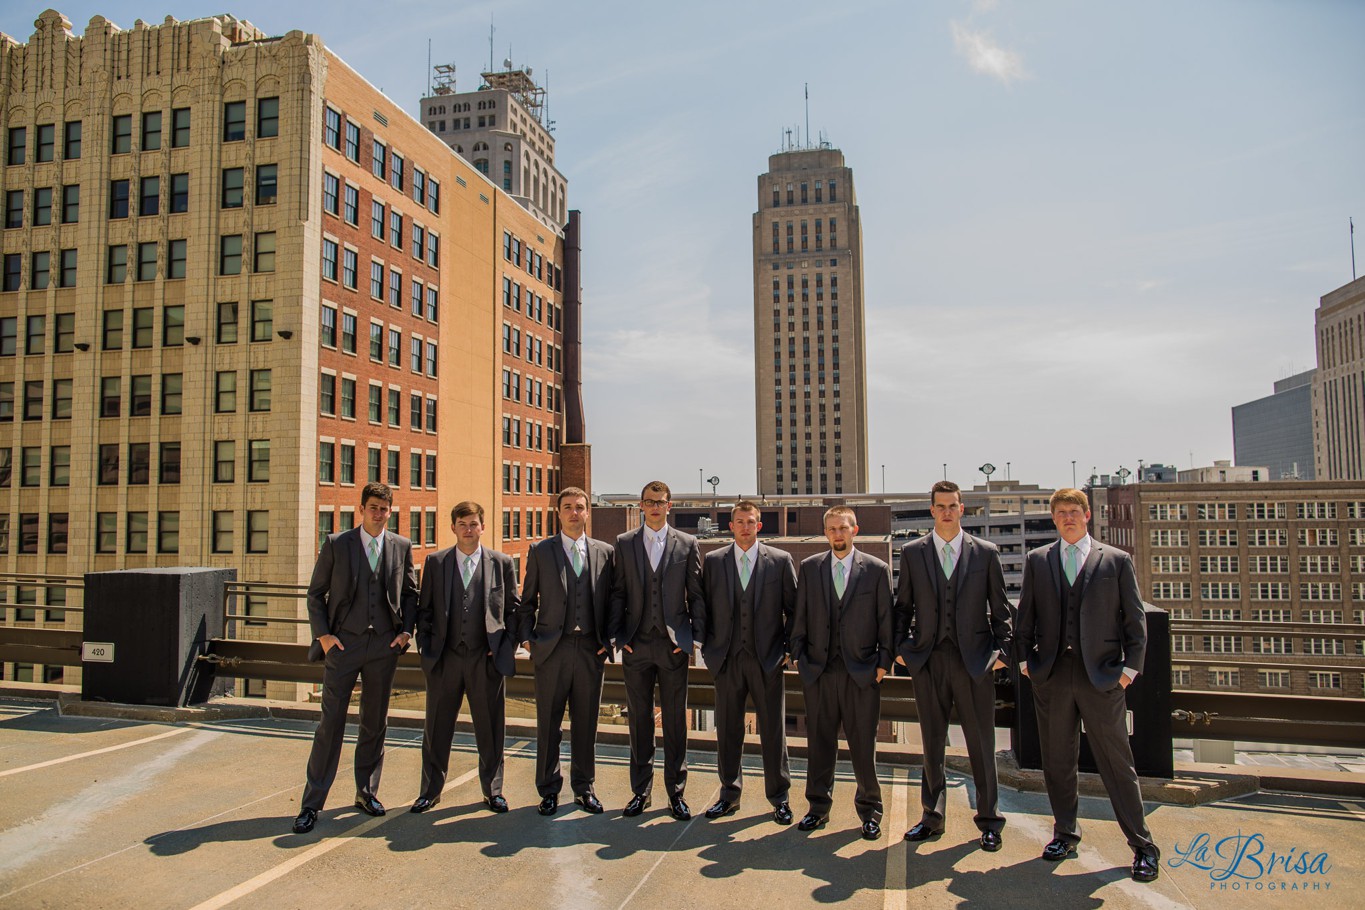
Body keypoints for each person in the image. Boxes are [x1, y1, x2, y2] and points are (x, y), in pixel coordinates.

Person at [1016, 488, 1160, 883]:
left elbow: (1135, 621)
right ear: (1054, 518)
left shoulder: (1116, 560)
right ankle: (1065, 833)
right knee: (1058, 761)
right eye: (1060, 513)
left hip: (1102, 678)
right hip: (1053, 677)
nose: (1068, 518)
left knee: (1117, 763)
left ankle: (1143, 845)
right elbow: (1025, 617)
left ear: (1087, 515)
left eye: (1073, 512)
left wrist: (1129, 671)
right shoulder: (1038, 560)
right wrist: (1028, 663)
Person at [293, 482, 418, 834]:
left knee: (375, 723)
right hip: (343, 646)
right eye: (373, 507)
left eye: (384, 508)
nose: (379, 513)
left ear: (391, 511)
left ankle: (366, 792)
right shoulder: (337, 544)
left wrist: (405, 633)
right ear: (361, 509)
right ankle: (312, 803)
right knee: (330, 724)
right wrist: (325, 637)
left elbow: (410, 594)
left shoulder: (401, 546)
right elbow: (316, 594)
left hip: (383, 648)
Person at [894, 481, 1012, 851]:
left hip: (974, 662)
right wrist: (901, 649)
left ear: (962, 509)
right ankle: (932, 817)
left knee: (981, 744)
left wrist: (1003, 655)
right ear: (932, 510)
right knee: (932, 744)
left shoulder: (986, 553)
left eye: (952, 506)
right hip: (928, 661)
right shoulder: (913, 552)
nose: (946, 511)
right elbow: (903, 607)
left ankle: (990, 821)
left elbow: (1001, 610)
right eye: (940, 506)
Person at [789, 506, 892, 840]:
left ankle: (870, 812)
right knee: (819, 745)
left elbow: (886, 622)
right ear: (825, 532)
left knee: (863, 747)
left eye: (843, 528)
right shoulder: (810, 567)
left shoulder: (876, 569)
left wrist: (882, 665)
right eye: (832, 528)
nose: (837, 534)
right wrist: (800, 658)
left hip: (861, 674)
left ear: (855, 530)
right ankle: (818, 808)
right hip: (819, 672)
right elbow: (799, 616)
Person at [409, 502, 519, 815]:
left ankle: (493, 791)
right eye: (462, 524)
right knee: (437, 728)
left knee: (491, 729)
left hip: (485, 661)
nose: (468, 530)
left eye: (474, 524)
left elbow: (513, 611)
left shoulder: (501, 563)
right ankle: (429, 792)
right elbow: (425, 611)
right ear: (453, 527)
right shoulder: (436, 562)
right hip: (445, 660)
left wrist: (503, 647)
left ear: (483, 527)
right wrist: (427, 648)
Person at [610, 480, 707, 820]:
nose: (654, 506)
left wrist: (692, 641)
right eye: (649, 501)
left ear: (670, 505)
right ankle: (641, 791)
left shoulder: (687, 543)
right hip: (636, 645)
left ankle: (676, 793)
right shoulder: (624, 544)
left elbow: (696, 595)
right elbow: (617, 594)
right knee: (639, 721)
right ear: (641, 505)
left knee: (676, 723)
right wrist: (620, 637)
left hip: (673, 646)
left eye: (660, 501)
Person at [517, 486, 616, 816]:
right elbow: (526, 601)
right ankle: (548, 789)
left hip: (590, 650)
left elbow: (615, 600)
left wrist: (608, 639)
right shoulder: (541, 551)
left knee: (586, 724)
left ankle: (584, 787)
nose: (575, 512)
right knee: (549, 724)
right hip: (551, 651)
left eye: (581, 507)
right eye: (568, 507)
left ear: (589, 512)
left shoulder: (604, 552)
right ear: (558, 513)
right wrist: (529, 640)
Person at [699, 501, 797, 824]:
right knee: (727, 730)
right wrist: (707, 649)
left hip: (767, 660)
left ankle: (779, 798)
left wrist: (787, 648)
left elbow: (795, 610)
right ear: (730, 527)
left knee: (773, 731)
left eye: (750, 521)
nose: (745, 527)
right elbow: (702, 608)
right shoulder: (713, 562)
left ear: (759, 525)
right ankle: (729, 795)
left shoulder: (780, 562)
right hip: (726, 660)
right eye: (739, 522)